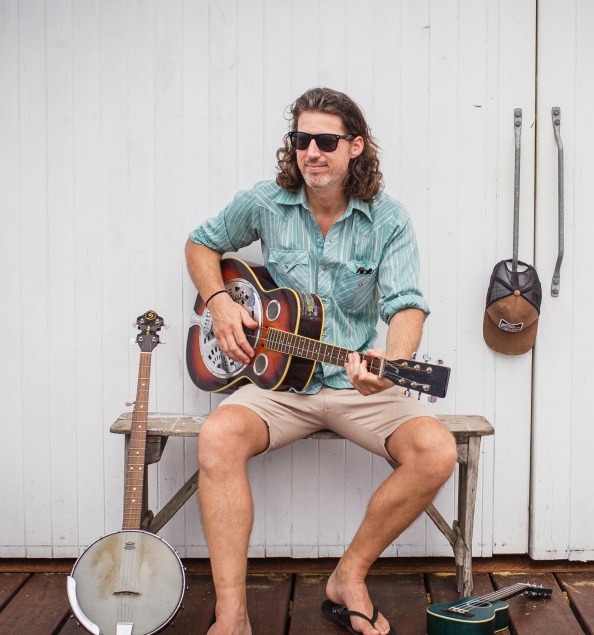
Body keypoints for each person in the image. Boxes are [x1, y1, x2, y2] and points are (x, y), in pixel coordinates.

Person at [185, 87, 457, 635]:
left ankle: (348, 576)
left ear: (355, 146)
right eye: (301, 139)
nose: (312, 152)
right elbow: (200, 243)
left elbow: (406, 304)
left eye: (326, 141)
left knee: (436, 451)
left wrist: (391, 364)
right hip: (279, 385)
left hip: (353, 382)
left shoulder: (388, 219)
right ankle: (232, 615)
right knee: (217, 436)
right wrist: (219, 303)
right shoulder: (266, 203)